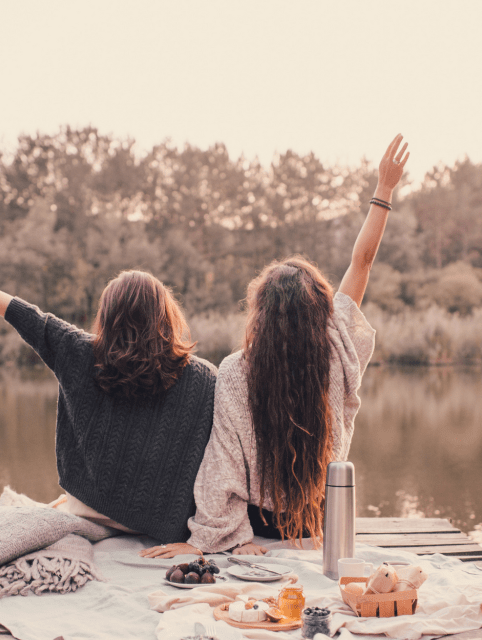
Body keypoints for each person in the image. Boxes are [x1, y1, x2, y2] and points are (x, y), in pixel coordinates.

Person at [140, 133, 409, 558]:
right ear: (321, 310)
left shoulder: (233, 370)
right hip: (320, 520)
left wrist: (225, 539)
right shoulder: (338, 346)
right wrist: (384, 189)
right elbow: (363, 262)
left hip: (260, 525)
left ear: (259, 314)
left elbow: (222, 462)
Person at [0, 256, 217, 545]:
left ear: (108, 315)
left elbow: (24, 315)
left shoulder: (79, 352)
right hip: (162, 523)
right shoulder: (205, 377)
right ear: (166, 314)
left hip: (91, 511)